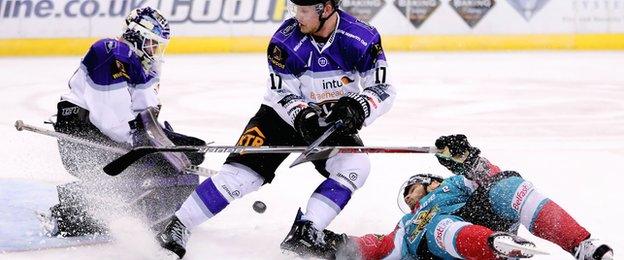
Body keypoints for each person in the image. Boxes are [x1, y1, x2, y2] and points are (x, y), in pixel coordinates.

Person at [155, 0, 395, 258]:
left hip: (329, 121)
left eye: (304, 10)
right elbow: (280, 91)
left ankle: (306, 231)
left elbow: (383, 88)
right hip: (279, 119)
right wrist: (302, 115)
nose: (297, 16)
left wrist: (359, 107)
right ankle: (178, 224)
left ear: (326, 9)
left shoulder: (362, 38)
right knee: (240, 177)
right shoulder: (285, 42)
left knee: (355, 166)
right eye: (295, 9)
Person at [302, 135, 614, 260]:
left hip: (483, 217)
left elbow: (489, 176)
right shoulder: (409, 221)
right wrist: (336, 244)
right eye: (407, 198)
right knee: (438, 224)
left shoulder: (455, 184)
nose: (412, 199)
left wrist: (465, 160)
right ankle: (495, 246)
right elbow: (379, 247)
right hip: (449, 246)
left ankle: (580, 244)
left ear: (431, 181)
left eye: (414, 189)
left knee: (505, 184)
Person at [39, 7, 206, 237]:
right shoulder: (111, 53)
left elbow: (146, 114)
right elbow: (109, 120)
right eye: (152, 43)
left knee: (180, 166)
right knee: (153, 169)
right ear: (136, 35)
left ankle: (146, 213)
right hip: (82, 137)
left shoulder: (139, 65)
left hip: (109, 135)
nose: (155, 51)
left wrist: (163, 140)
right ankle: (73, 212)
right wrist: (148, 143)